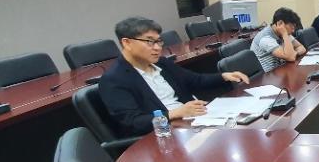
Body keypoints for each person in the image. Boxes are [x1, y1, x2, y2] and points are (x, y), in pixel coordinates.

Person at [99, 16, 249, 136]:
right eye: (150, 42)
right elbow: (133, 122)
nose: (157, 48)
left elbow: (194, 80)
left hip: (194, 121)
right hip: (167, 133)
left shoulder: (162, 63)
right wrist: (175, 113)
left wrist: (224, 76)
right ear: (127, 43)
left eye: (159, 42)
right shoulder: (114, 79)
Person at [251, 7, 306, 73]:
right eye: (291, 27)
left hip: (280, 70)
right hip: (268, 75)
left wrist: (295, 53)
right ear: (280, 24)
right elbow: (291, 57)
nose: (293, 31)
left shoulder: (283, 33)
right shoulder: (265, 38)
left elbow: (301, 47)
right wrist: (285, 34)